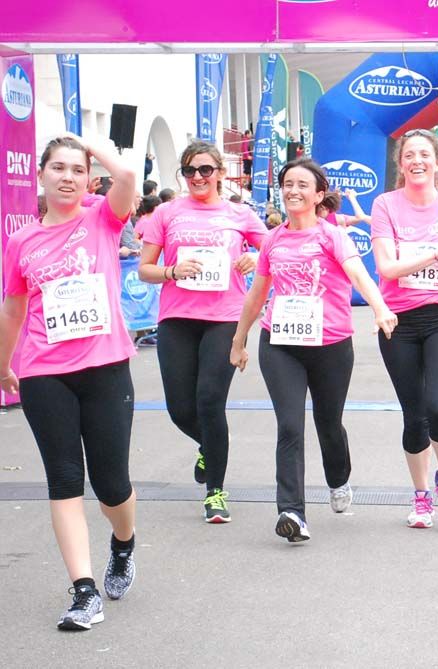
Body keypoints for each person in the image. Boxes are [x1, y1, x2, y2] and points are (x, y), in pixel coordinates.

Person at [0, 136, 139, 630]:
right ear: (40, 176)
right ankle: (84, 591)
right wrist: (3, 364)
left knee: (111, 484)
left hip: (105, 368)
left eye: (76, 170)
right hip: (44, 371)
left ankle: (123, 544)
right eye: (56, 168)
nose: (66, 177)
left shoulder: (102, 216)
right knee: (63, 479)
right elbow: (14, 307)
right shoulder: (22, 242)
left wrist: (89, 145)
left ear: (88, 179)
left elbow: (126, 179)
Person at [230, 159, 396, 542]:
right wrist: (238, 341)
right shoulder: (273, 239)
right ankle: (291, 511)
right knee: (290, 425)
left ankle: (338, 478)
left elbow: (358, 273)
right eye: (287, 184)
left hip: (330, 345)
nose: (293, 191)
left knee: (328, 423)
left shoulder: (331, 235)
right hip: (282, 341)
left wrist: (380, 307)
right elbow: (257, 295)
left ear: (319, 194)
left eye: (302, 184)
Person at [138, 140, 267, 522]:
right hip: (177, 317)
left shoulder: (239, 214)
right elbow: (145, 268)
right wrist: (171, 271)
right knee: (181, 409)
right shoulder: (166, 212)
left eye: (205, 170)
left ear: (220, 174)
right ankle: (208, 446)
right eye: (190, 171)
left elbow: (276, 247)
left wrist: (255, 255)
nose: (197, 177)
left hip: (225, 316)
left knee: (210, 400)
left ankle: (215, 492)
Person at [370, 129, 438, 528]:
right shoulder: (386, 204)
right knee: (413, 415)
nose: (417, 161)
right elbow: (386, 269)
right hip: (398, 319)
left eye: (424, 155)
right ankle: (420, 495)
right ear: (401, 164)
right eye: (409, 155)